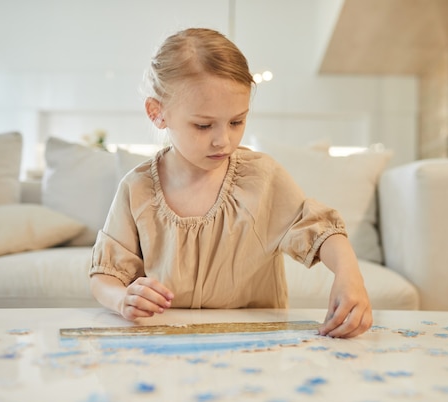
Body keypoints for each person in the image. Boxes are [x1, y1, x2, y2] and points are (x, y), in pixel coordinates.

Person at [89, 27, 372, 338]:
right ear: (158, 113)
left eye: (237, 121)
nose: (223, 140)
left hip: (255, 344)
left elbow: (321, 231)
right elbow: (105, 275)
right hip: (165, 348)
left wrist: (349, 273)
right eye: (203, 125)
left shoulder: (262, 178)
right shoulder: (136, 189)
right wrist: (121, 299)